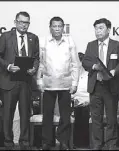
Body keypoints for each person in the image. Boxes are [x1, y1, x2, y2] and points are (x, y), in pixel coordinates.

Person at [0, 11, 40, 150]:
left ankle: (24, 143)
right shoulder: (6, 36)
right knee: (8, 114)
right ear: (15, 22)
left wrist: (34, 69)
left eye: (27, 23)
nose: (24, 25)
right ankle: (8, 143)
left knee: (25, 114)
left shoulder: (33, 38)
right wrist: (8, 66)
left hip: (26, 81)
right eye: (21, 22)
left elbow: (36, 57)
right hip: (9, 80)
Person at [82, 18, 119, 150]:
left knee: (111, 118)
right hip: (95, 86)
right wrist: (93, 66)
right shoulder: (91, 45)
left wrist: (114, 70)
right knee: (96, 119)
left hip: (111, 86)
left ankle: (111, 145)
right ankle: (97, 145)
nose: (98, 31)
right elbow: (85, 62)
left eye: (100, 28)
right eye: (96, 28)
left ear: (108, 29)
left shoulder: (117, 45)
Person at [37, 16, 80, 150]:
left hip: (65, 84)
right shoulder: (43, 41)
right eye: (54, 26)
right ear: (50, 27)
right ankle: (47, 141)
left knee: (65, 115)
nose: (57, 29)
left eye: (59, 26)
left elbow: (75, 64)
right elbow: (40, 63)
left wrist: (75, 83)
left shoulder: (69, 41)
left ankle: (64, 141)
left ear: (63, 27)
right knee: (47, 114)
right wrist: (39, 80)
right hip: (48, 84)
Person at [71, 52, 90, 149]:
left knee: (85, 110)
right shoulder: (70, 75)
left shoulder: (89, 75)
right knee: (78, 111)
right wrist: (74, 100)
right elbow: (68, 92)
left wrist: (87, 101)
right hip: (75, 101)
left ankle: (84, 143)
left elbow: (93, 92)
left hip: (88, 101)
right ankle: (76, 142)